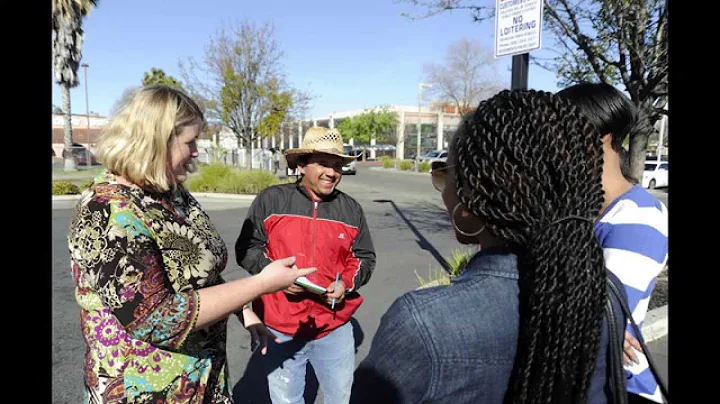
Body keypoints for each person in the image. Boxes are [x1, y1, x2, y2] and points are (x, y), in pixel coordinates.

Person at [352, 90, 628, 403]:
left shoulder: (422, 323)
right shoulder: (606, 292)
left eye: (445, 175)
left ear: (473, 195)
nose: (442, 190)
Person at [67, 85, 316, 403]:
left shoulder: (171, 192)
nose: (197, 151)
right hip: (143, 390)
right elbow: (155, 318)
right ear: (156, 141)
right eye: (190, 142)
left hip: (203, 381)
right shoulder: (108, 209)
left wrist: (245, 312)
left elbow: (201, 270)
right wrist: (260, 285)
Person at [235, 126, 376, 404]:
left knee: (340, 398)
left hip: (334, 326)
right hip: (280, 326)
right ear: (301, 165)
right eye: (323, 164)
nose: (332, 172)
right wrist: (277, 278)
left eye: (337, 166)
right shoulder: (271, 200)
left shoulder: (351, 208)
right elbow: (247, 248)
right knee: (287, 400)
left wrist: (346, 283)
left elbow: (363, 257)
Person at [558, 83, 669, 404]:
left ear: (602, 137)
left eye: (560, 131)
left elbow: (605, 328)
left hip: (621, 389)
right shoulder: (577, 207)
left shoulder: (639, 217)